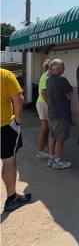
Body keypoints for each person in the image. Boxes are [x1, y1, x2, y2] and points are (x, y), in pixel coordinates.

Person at [1, 68, 31, 212]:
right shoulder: (5, 74)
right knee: (8, 161)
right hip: (4, 126)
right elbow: (18, 99)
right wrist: (17, 121)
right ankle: (12, 198)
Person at [46, 59, 73, 169]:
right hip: (61, 113)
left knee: (53, 137)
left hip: (51, 112)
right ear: (57, 69)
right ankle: (58, 161)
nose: (64, 68)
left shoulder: (48, 80)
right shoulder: (62, 80)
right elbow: (70, 93)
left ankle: (51, 159)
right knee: (60, 139)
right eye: (63, 66)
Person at [35, 59, 51, 158]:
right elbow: (43, 93)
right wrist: (51, 104)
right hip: (43, 103)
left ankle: (43, 148)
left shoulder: (46, 76)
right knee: (45, 128)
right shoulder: (46, 76)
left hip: (43, 103)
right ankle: (40, 151)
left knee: (47, 128)